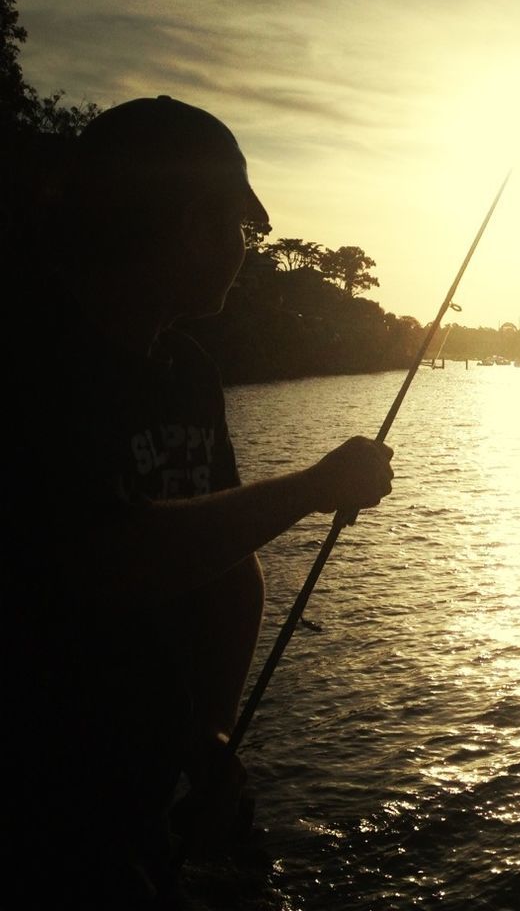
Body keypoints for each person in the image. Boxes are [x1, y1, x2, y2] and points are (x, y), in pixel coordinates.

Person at [7, 95, 396, 907]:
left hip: (141, 789)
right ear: (188, 223)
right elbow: (96, 559)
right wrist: (314, 488)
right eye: (239, 232)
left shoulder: (186, 373)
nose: (243, 254)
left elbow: (230, 572)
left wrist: (211, 729)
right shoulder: (34, 360)